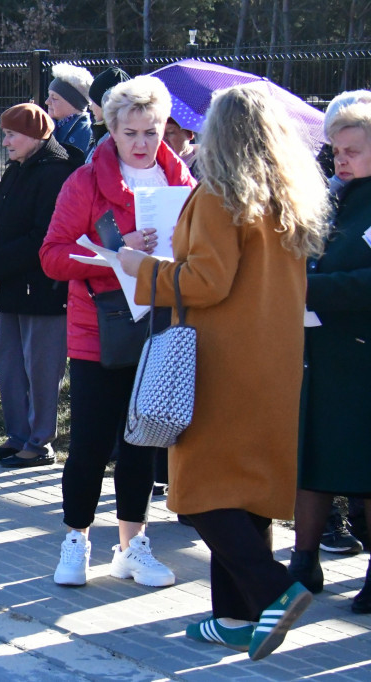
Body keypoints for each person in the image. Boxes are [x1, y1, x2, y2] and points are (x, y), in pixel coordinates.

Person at [117, 83, 328, 659]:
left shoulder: (219, 196)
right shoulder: (287, 196)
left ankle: (274, 591)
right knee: (248, 492)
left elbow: (206, 282)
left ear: (219, 134)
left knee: (201, 493)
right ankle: (234, 615)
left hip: (219, 364)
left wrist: (142, 267)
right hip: (273, 362)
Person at [39, 76, 194, 588]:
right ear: (111, 128)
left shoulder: (183, 183)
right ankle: (75, 540)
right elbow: (53, 257)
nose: (144, 143)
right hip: (97, 330)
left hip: (160, 327)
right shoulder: (84, 182)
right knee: (89, 442)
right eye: (132, 133)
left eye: (152, 131)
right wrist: (116, 254)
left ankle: (132, 546)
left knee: (142, 442)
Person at [287, 92, 371, 615]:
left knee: (364, 462)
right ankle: (302, 560)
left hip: (362, 356)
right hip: (315, 350)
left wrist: (312, 290)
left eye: (352, 151)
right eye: (335, 151)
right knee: (311, 456)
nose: (340, 160)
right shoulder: (331, 197)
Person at [0, 103, 82, 468]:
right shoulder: (16, 170)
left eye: (11, 135)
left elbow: (42, 236)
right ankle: (18, 436)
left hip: (42, 290)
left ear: (36, 136)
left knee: (41, 368)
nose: (4, 142)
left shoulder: (55, 173)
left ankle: (40, 443)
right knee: (8, 365)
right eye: (4, 134)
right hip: (8, 288)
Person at [45, 64, 93, 154]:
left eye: (54, 98)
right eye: (48, 96)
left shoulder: (86, 133)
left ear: (73, 103)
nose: (47, 102)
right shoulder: (45, 126)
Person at [85, 67, 130, 161]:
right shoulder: (98, 135)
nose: (90, 107)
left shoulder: (115, 143)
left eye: (93, 102)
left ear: (106, 104)